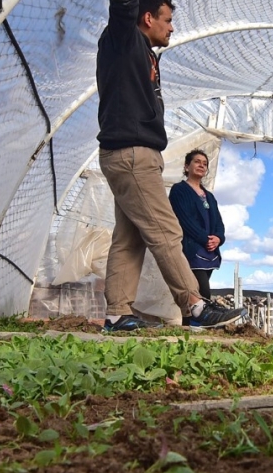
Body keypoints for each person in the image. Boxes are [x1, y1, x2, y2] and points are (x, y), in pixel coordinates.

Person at [96, 0, 244, 332]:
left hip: (132, 153)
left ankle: (118, 313)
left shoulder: (144, 52)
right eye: (168, 19)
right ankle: (194, 305)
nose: (172, 27)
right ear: (147, 17)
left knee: (129, 237)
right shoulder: (123, 38)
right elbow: (123, 8)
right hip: (132, 152)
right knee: (167, 231)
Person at [169, 149, 226, 324]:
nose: (202, 165)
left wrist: (218, 238)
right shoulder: (179, 190)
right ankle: (201, 325)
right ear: (187, 166)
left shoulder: (209, 196)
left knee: (196, 293)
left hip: (209, 250)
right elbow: (184, 219)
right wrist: (204, 239)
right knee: (202, 292)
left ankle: (189, 329)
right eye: (197, 161)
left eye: (205, 163)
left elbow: (218, 222)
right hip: (191, 247)